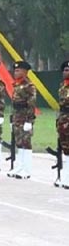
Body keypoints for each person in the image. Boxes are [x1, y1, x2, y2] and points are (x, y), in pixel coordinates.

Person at [7, 60, 36, 179]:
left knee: (26, 143)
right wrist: (12, 119)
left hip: (25, 117)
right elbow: (14, 103)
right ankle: (20, 166)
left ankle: (26, 169)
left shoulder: (29, 86)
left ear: (25, 72)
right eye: (15, 70)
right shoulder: (17, 85)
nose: (15, 72)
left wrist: (29, 121)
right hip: (17, 116)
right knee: (19, 142)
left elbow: (31, 104)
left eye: (18, 70)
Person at [56, 60, 69, 189]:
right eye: (65, 70)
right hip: (63, 119)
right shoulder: (62, 86)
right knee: (65, 149)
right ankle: (65, 176)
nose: (66, 72)